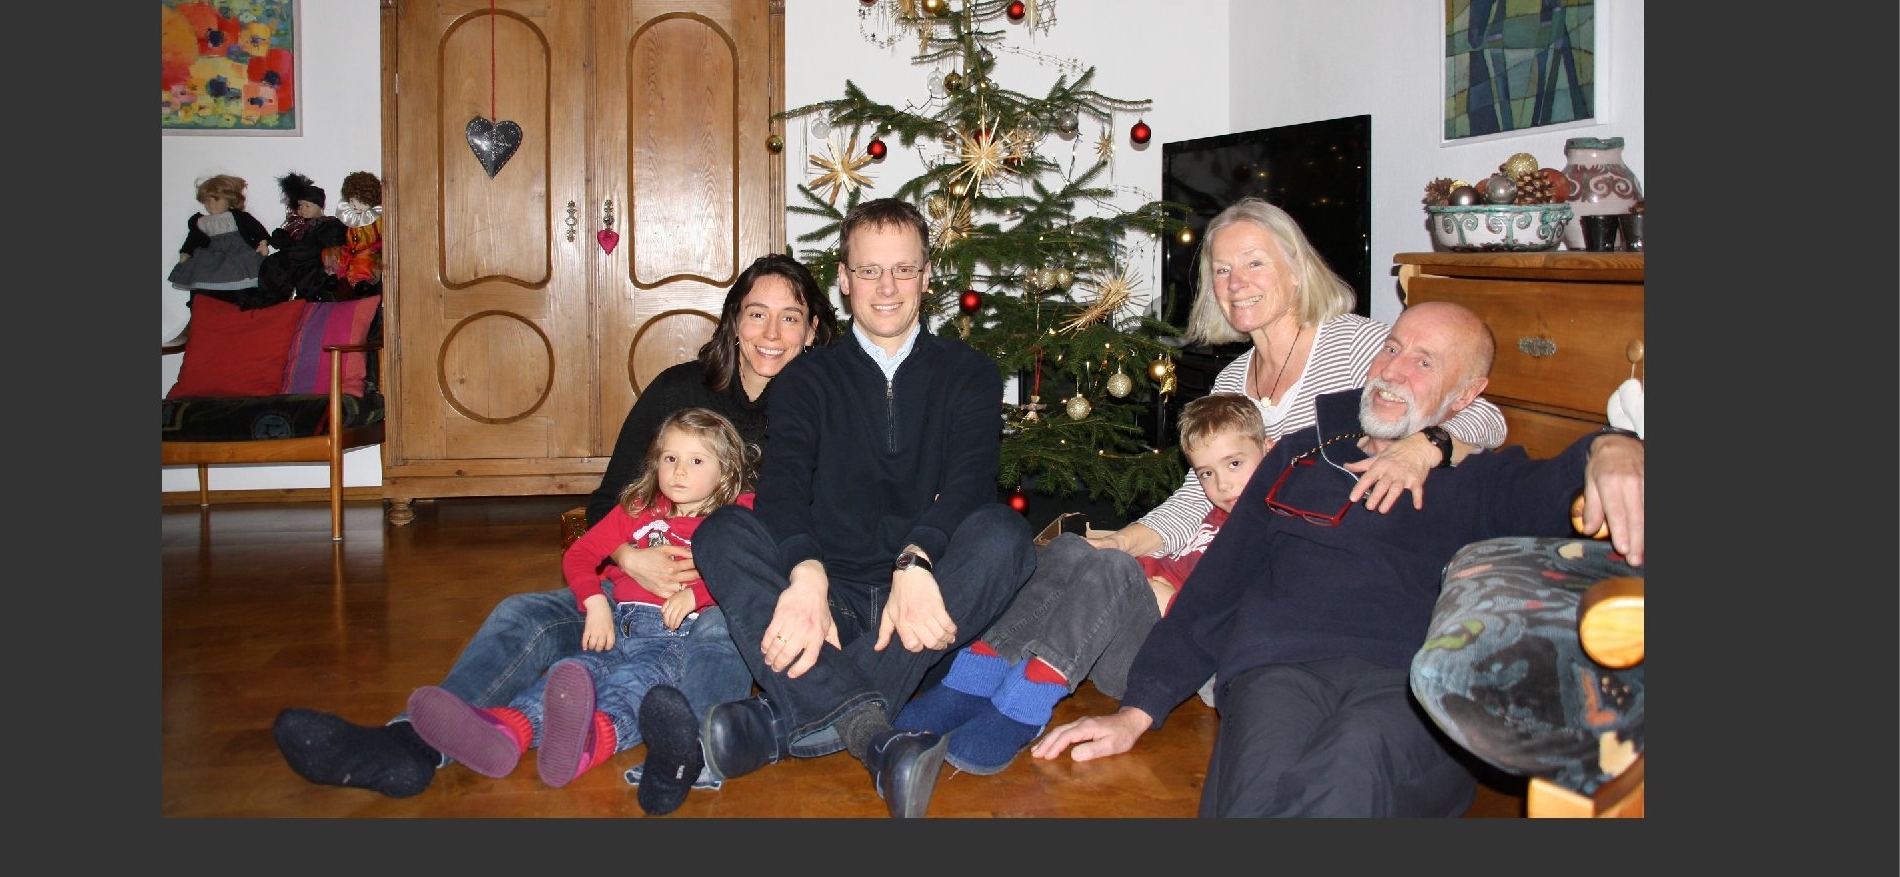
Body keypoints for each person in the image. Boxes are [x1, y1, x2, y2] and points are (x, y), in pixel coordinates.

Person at [1031, 301, 1647, 818]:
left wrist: (1613, 445)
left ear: (1467, 395)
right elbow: (1217, 586)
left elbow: (1558, 490)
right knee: (1258, 781)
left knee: (1352, 769)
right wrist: (1137, 711)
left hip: (1405, 681)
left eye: (1424, 362)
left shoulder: (1485, 481)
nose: (1393, 370)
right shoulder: (1299, 455)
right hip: (1278, 665)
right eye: (1392, 348)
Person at [271, 253, 839, 800]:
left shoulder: (826, 410)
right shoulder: (679, 391)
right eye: (756, 313)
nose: (771, 332)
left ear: (813, 329)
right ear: (734, 321)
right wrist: (627, 557)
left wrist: (719, 578)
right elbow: (608, 503)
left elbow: (830, 531)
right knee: (522, 613)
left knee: (712, 639)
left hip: (731, 601)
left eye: (790, 317)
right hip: (633, 592)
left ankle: (686, 749)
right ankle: (412, 744)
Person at [689, 198, 1037, 818]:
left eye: (903, 270)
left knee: (1003, 533)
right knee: (722, 532)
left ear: (927, 277)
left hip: (927, 608)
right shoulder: (804, 379)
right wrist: (806, 574)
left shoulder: (971, 373)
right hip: (832, 605)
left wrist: (916, 560)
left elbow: (968, 485)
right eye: (869, 271)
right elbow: (783, 488)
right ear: (844, 280)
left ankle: (781, 723)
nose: (887, 288)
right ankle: (875, 736)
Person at [1083, 197, 1510, 572]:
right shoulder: (1230, 380)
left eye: (1254, 263)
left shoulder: (1356, 345)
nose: (1235, 283)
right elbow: (1199, 495)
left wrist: (1422, 447)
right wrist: (1121, 541)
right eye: (1222, 270)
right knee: (1091, 569)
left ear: (1296, 271)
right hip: (1255, 550)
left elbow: (1486, 416)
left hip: (1337, 557)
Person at [895, 393, 1267, 775]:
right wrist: (1118, 560)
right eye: (1206, 473)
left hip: (1157, 656)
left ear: (1269, 450)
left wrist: (1175, 603)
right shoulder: (1216, 515)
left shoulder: (1270, 533)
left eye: (1234, 464)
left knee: (1115, 566)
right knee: (1071, 547)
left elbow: (1249, 622)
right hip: (1120, 623)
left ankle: (1028, 703)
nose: (1222, 484)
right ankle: (976, 675)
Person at [403, 408, 754, 810]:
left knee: (632, 686)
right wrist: (595, 603)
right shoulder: (638, 508)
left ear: (725, 471)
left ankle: (594, 740)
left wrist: (698, 595)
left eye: (696, 461)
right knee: (571, 677)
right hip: (618, 623)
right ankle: (507, 731)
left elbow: (748, 569)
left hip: (674, 637)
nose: (679, 471)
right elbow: (580, 553)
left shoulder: (736, 515)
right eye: (670, 458)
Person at [244, 172, 346, 307]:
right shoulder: (296, 225)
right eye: (300, 206)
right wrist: (284, 240)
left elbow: (326, 243)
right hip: (295, 257)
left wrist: (295, 249)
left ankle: (309, 299)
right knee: (272, 263)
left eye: (307, 206)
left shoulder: (329, 223)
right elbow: (283, 241)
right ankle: (270, 300)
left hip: (312, 258)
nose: (303, 209)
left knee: (311, 272)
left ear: (320, 208)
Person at [168, 173, 269, 303]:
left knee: (243, 286)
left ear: (230, 200)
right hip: (210, 258)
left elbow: (256, 229)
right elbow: (193, 239)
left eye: (216, 200)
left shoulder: (238, 217)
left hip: (238, 255)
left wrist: (262, 243)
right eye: (207, 201)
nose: (211, 205)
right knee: (205, 281)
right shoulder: (201, 222)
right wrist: (186, 252)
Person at [322, 170, 383, 301]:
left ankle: (360, 283)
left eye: (360, 202)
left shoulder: (376, 218)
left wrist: (376, 248)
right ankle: (333, 276)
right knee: (332, 254)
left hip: (367, 250)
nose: (354, 205)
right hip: (350, 250)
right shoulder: (350, 217)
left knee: (363, 262)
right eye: (351, 201)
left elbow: (382, 237)